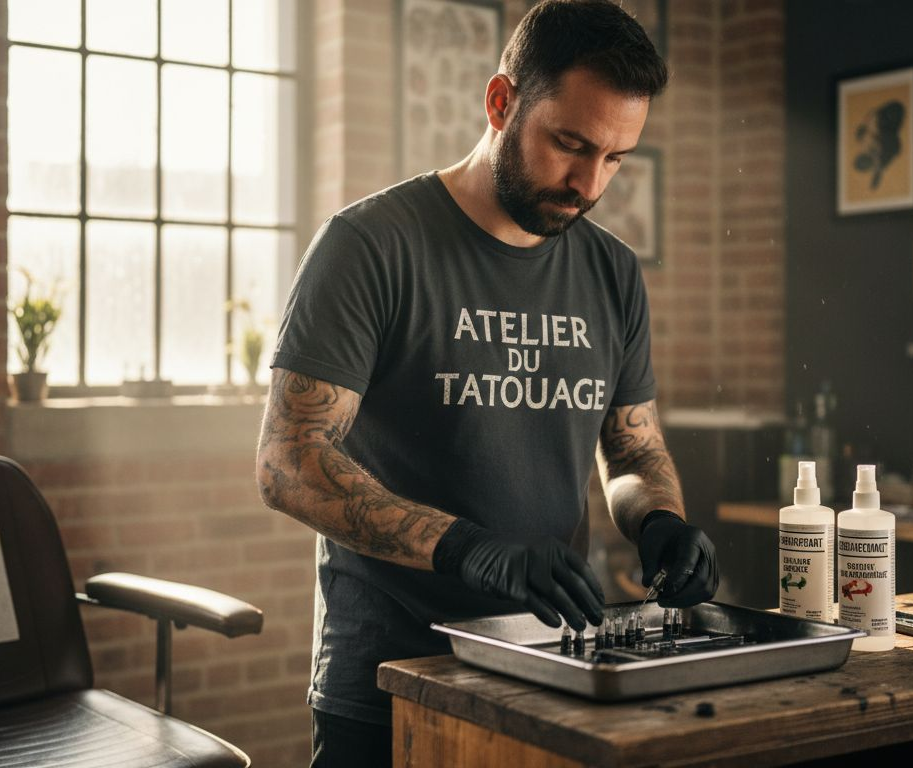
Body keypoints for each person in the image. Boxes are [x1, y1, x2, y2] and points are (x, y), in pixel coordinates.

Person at [255, 2, 719, 765]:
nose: (587, 183)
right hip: (395, 677)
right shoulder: (371, 246)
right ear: (502, 102)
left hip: (554, 667)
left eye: (614, 158)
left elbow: (631, 453)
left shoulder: (611, 272)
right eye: (569, 144)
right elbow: (287, 462)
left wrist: (660, 521)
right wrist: (470, 551)